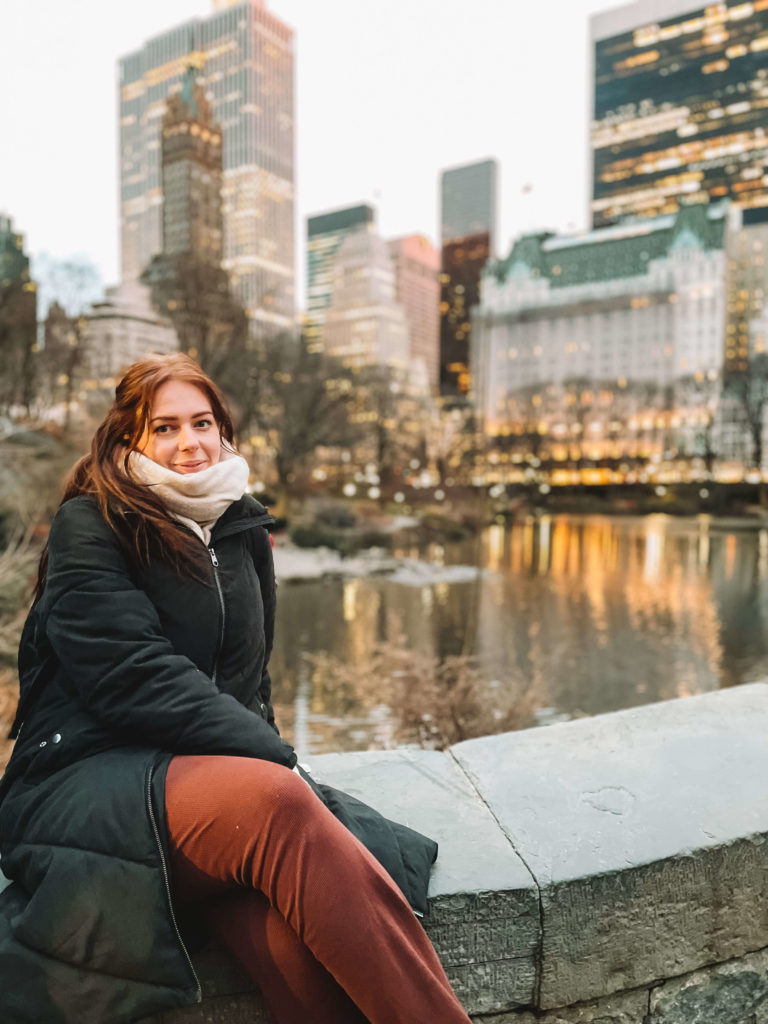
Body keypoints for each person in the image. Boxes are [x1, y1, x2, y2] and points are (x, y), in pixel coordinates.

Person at [0, 353, 473, 1024]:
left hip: (204, 788)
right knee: (278, 802)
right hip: (89, 777)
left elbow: (251, 681)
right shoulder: (93, 524)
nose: (188, 442)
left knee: (292, 940)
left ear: (223, 429)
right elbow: (130, 678)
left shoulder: (242, 527)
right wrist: (273, 759)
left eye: (202, 423)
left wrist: (260, 753)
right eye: (163, 427)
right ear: (127, 438)